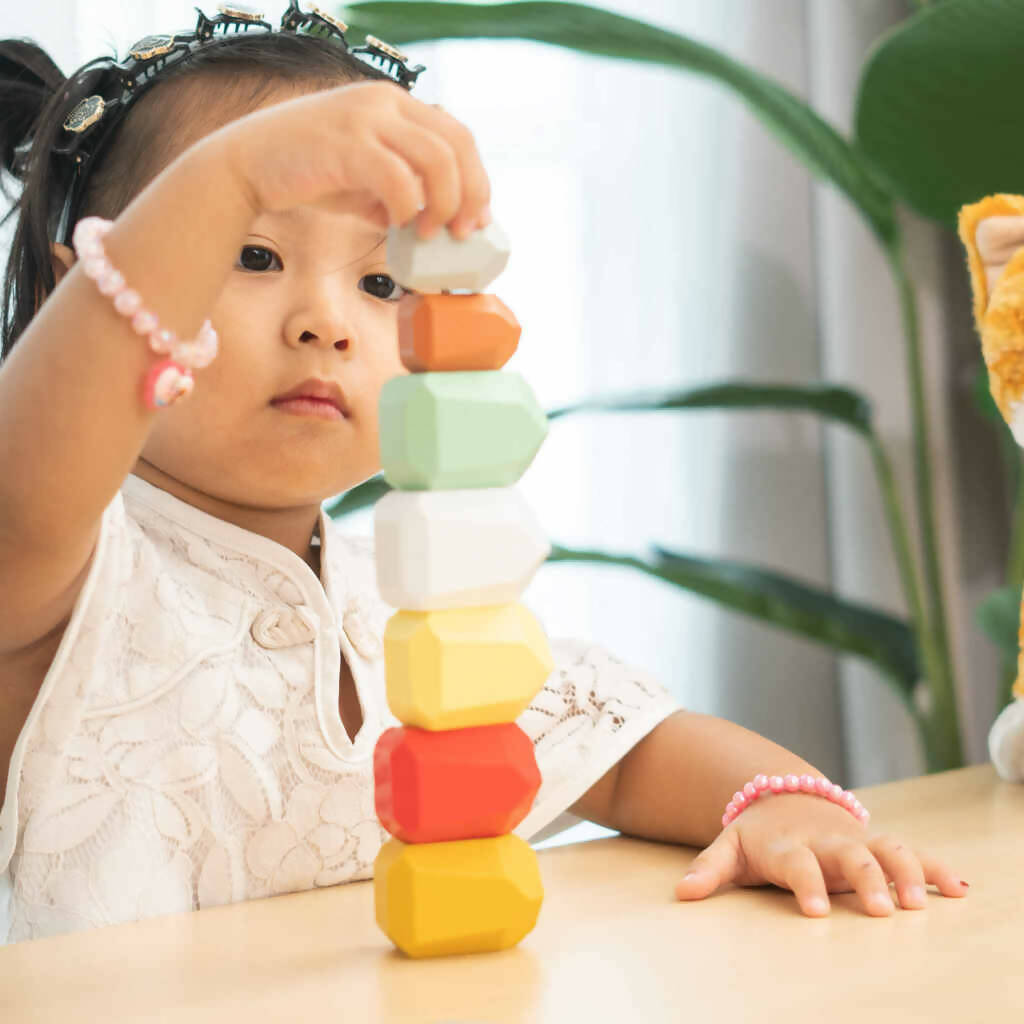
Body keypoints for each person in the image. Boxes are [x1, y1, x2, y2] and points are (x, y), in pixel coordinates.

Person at [0, 3, 967, 945]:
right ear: (62, 293)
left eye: (381, 283)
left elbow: (629, 751)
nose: (326, 322)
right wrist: (229, 174)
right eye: (253, 252)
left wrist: (787, 804)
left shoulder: (410, 594)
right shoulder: (54, 571)